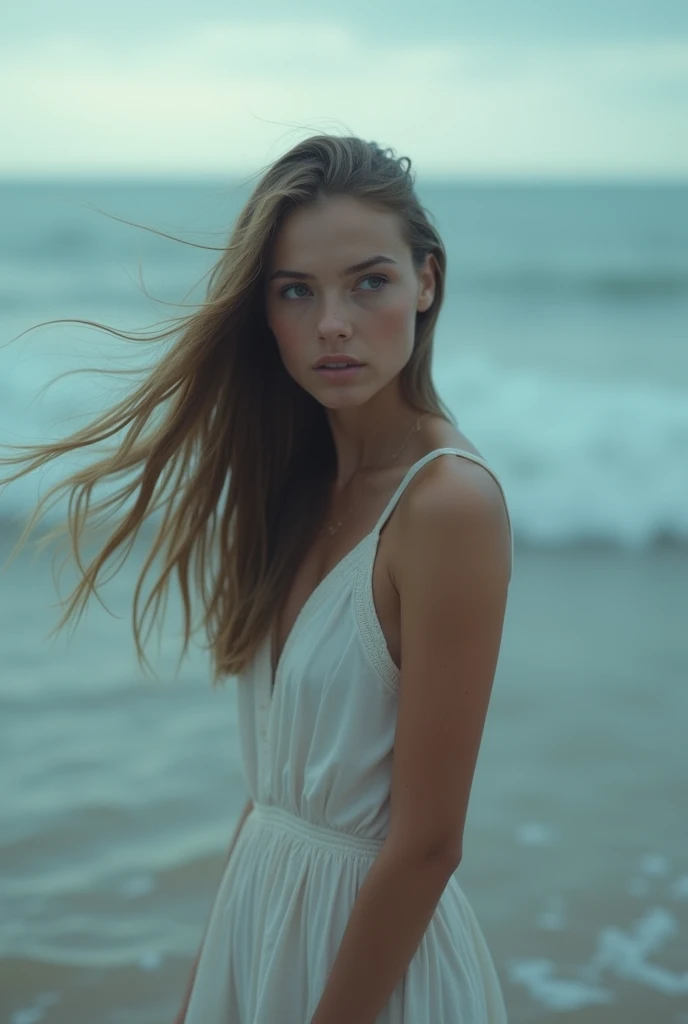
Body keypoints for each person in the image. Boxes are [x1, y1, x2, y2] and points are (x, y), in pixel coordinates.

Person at [0, 134, 513, 1023]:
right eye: (295, 292)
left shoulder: (448, 506)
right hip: (263, 930)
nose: (333, 325)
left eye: (370, 281)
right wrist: (205, 995)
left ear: (426, 281)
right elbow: (271, 797)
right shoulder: (295, 484)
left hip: (372, 974)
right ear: (263, 310)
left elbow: (428, 844)